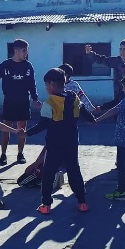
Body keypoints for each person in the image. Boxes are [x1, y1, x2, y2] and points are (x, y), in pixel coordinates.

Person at [20, 68, 96, 214]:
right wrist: (91, 120)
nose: (46, 88)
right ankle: (82, 202)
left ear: (52, 84)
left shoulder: (49, 102)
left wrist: (26, 134)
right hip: (72, 141)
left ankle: (46, 205)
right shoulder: (73, 96)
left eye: (46, 85)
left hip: (54, 144)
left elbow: (42, 125)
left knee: (49, 173)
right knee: (74, 171)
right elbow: (83, 109)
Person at [0, 38, 41, 166]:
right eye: (24, 50)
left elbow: (32, 84)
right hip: (9, 102)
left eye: (26, 51)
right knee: (6, 130)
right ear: (16, 50)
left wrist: (35, 99)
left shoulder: (28, 66)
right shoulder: (5, 65)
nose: (26, 53)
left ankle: (20, 154)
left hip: (23, 102)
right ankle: (3, 155)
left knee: (21, 129)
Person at [95, 73, 125, 199]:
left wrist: (98, 119)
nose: (123, 89)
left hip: (123, 141)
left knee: (122, 167)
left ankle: (121, 190)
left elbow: (113, 110)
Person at [85, 39, 125, 112]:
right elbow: (102, 60)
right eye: (120, 49)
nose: (122, 52)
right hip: (118, 97)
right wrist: (90, 53)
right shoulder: (117, 61)